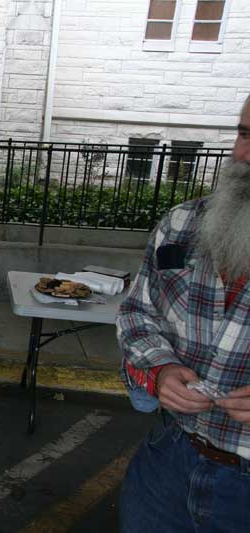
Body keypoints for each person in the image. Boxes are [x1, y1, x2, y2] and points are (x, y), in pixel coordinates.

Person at [117, 94, 250, 532]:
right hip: (169, 455)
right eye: (245, 134)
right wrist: (160, 368)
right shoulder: (182, 225)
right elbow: (138, 312)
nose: (246, 154)